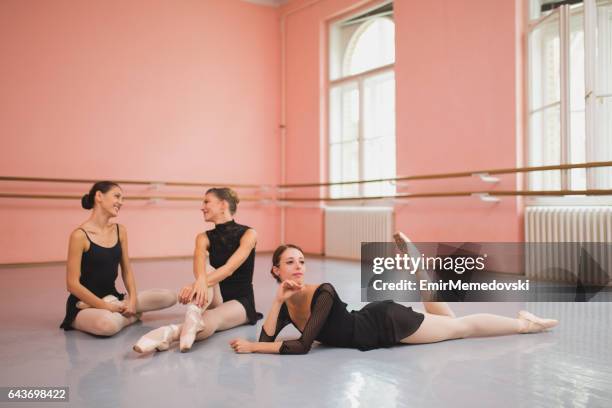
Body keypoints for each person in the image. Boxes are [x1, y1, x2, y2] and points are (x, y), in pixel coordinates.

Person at [229, 242, 558, 355]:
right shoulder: (287, 301)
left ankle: (523, 325)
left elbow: (301, 347)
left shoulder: (323, 292)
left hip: (385, 324)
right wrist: (275, 302)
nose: (299, 267)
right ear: (275, 271)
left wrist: (253, 348)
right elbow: (268, 335)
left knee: (461, 328)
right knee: (451, 323)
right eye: (290, 262)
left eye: (301, 261)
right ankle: (420, 274)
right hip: (375, 320)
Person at [133, 187, 261, 353]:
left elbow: (229, 269)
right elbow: (200, 268)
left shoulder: (249, 234)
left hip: (240, 302)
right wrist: (198, 283)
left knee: (210, 318)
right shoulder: (203, 237)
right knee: (207, 269)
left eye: (207, 201)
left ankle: (167, 333)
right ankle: (193, 313)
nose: (202, 207)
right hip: (214, 297)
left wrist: (195, 286)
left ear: (223, 205)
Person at [60, 181, 177, 335]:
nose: (120, 202)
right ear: (99, 196)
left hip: (113, 298)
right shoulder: (79, 236)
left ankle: (124, 310)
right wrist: (106, 306)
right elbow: (72, 285)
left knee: (169, 297)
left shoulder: (119, 230)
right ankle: (128, 316)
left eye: (122, 199)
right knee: (107, 325)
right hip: (82, 305)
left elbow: (127, 270)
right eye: (117, 196)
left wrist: (133, 301)